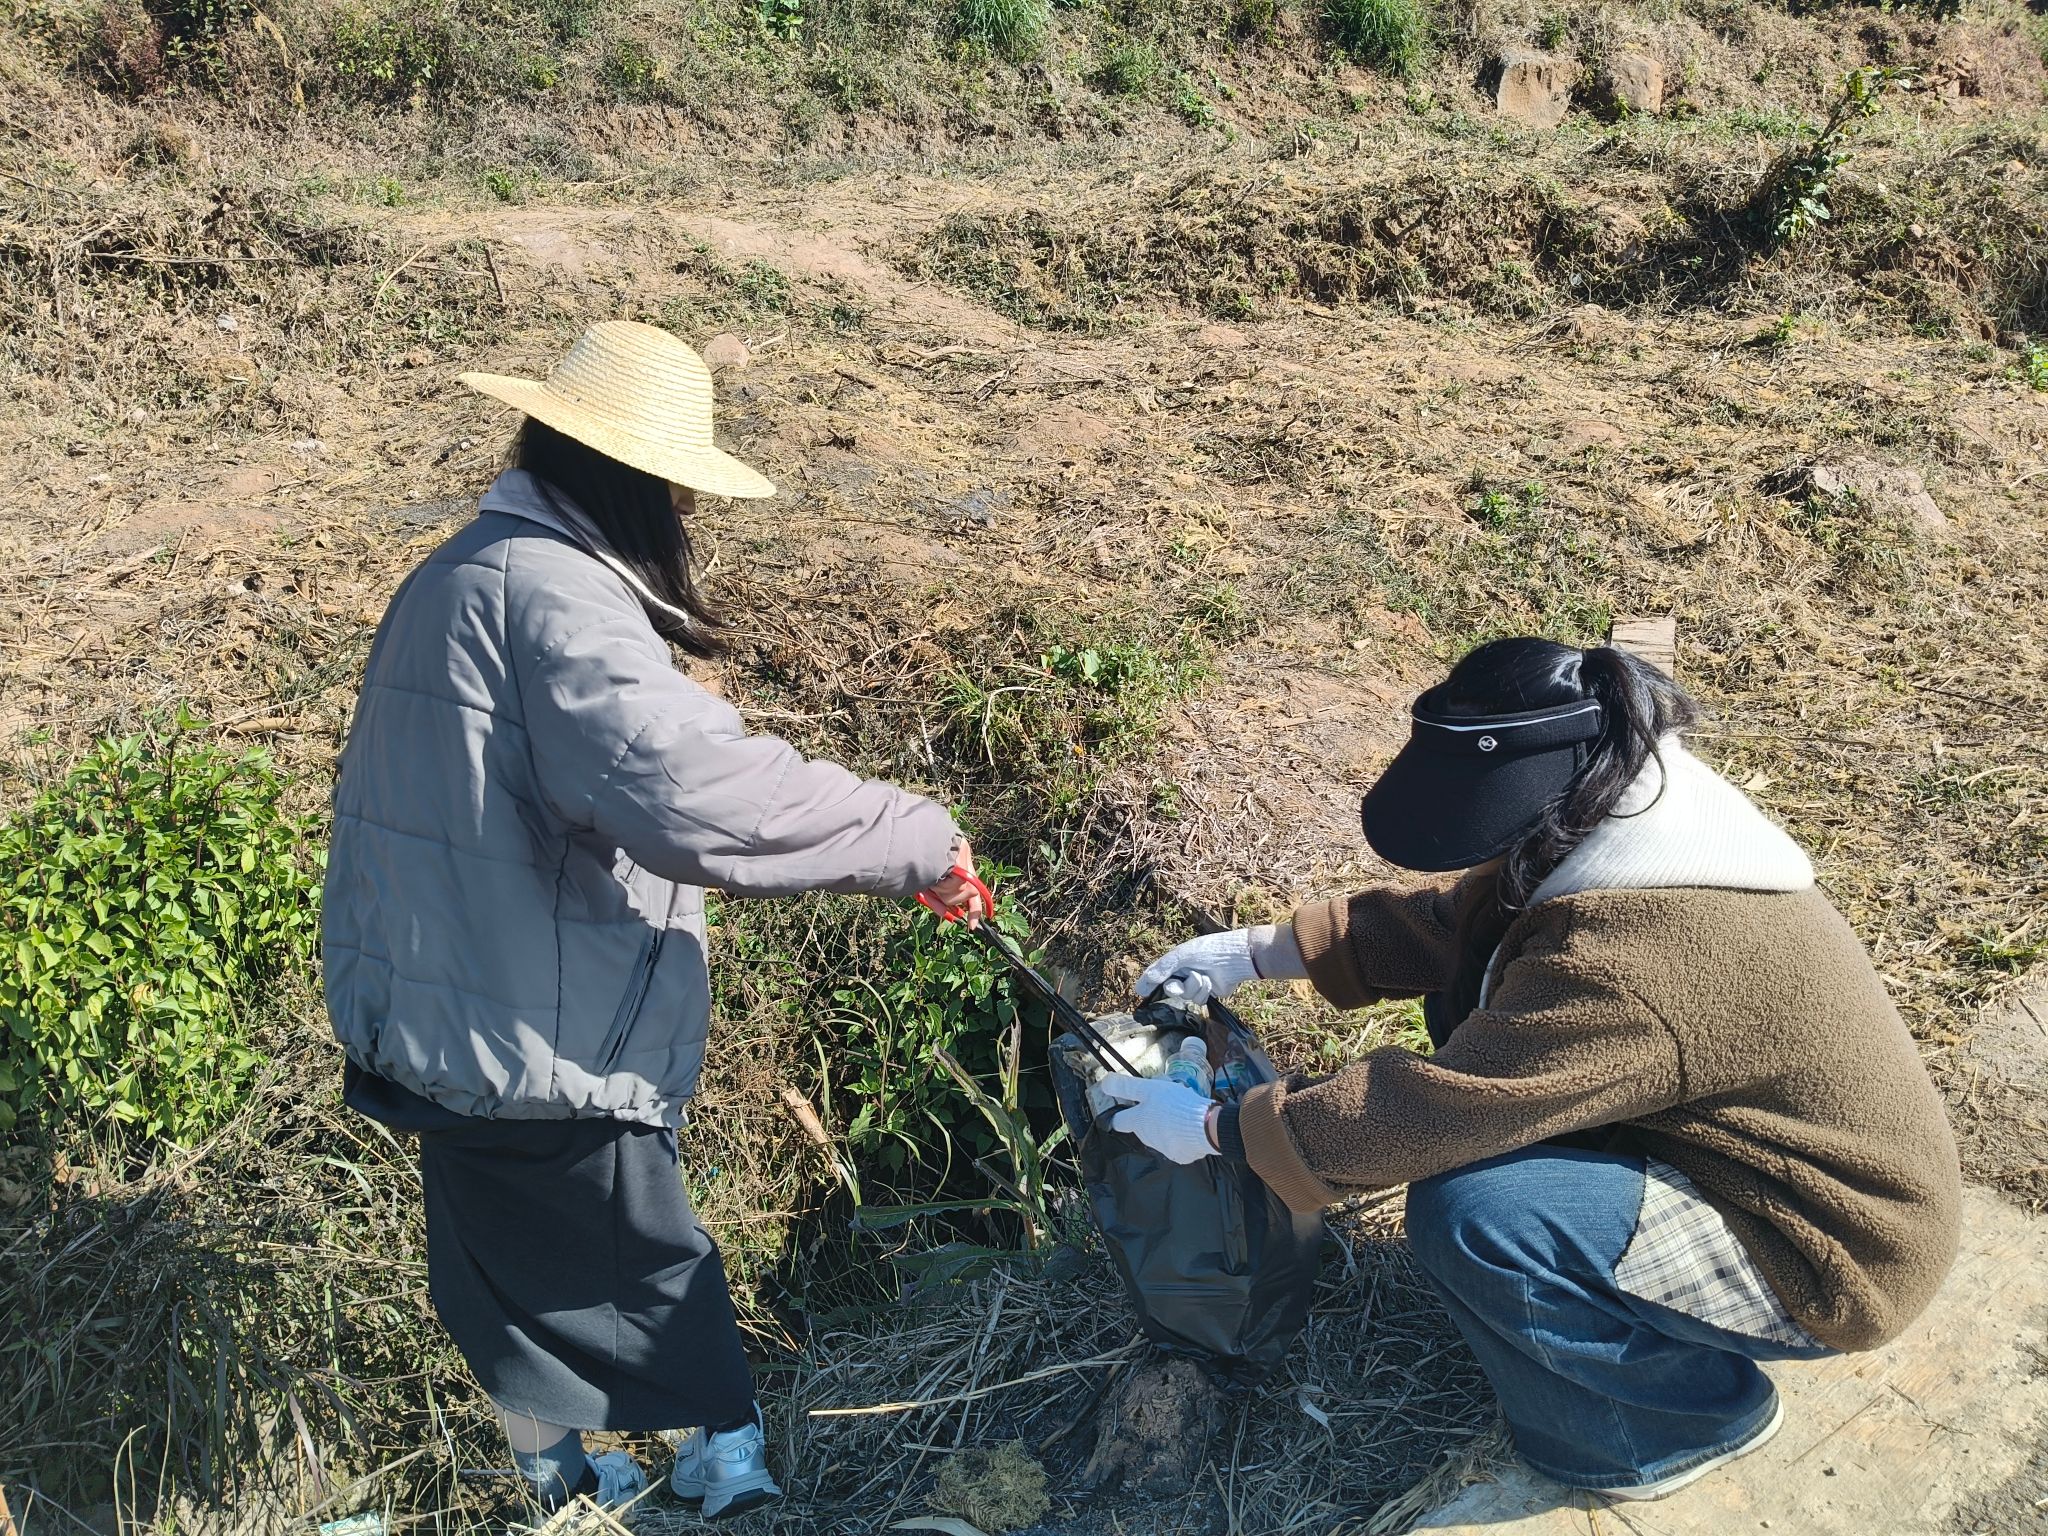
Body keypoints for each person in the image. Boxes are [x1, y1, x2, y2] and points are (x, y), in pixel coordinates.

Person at [322, 321, 986, 1518]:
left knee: (504, 1286)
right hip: (538, 1031)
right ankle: (728, 1466)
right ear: (634, 480)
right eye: (678, 491)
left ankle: (562, 1483)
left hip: (439, 1011)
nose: (685, 514)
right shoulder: (558, 600)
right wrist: (913, 837)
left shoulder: (457, 574)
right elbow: (690, 794)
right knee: (644, 1269)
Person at [1102, 638, 1960, 1502]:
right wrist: (1258, 953)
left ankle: (1670, 1427)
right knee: (1480, 1108)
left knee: (1481, 1216)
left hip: (1829, 1248)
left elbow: (1444, 1106)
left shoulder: (1633, 957)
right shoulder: (1626, 812)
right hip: (1762, 1171)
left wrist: (1221, 1128)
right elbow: (1468, 925)